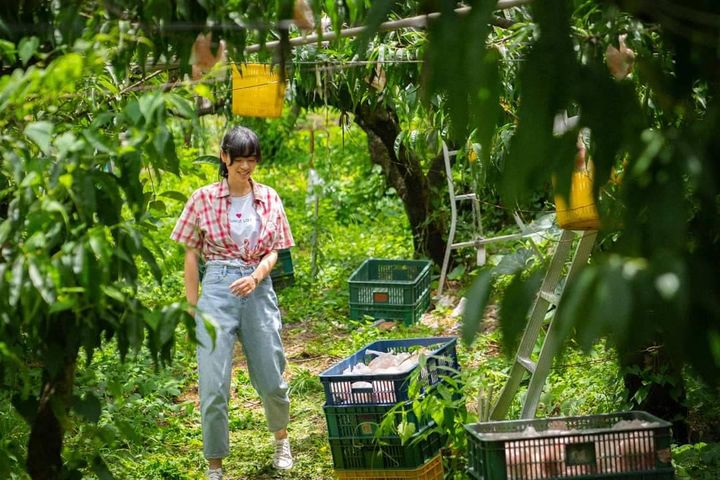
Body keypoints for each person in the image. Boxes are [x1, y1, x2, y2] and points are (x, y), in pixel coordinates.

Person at [170, 126, 294, 480]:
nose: (246, 167)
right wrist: (193, 308)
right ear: (225, 157)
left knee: (272, 377)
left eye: (252, 160)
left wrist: (256, 276)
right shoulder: (202, 198)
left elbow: (274, 252)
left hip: (257, 287)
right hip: (217, 289)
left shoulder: (269, 197)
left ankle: (281, 439)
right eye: (239, 160)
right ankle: (214, 465)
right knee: (212, 385)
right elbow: (191, 256)